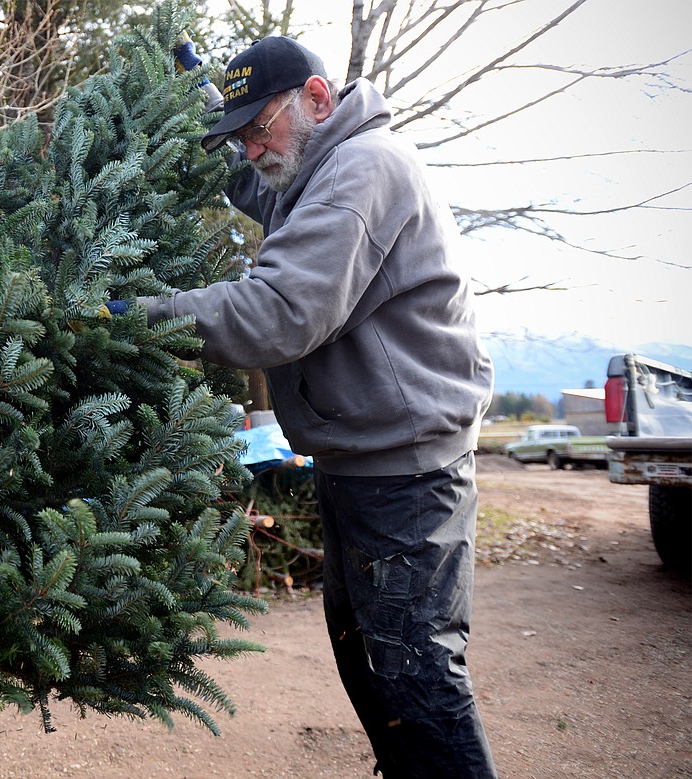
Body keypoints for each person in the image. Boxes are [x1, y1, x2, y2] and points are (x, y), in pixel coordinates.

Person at [146, 36, 499, 778]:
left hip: (406, 481)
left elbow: (278, 309)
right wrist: (211, 101)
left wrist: (131, 315)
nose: (250, 151)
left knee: (417, 680)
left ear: (316, 99)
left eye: (259, 128)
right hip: (362, 464)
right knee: (374, 669)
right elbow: (258, 181)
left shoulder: (362, 169)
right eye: (239, 137)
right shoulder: (313, 160)